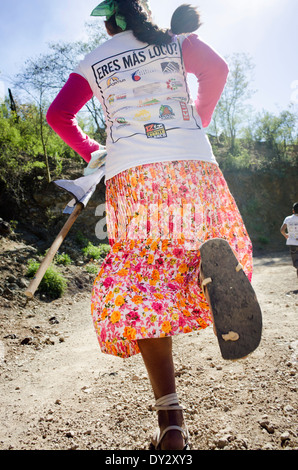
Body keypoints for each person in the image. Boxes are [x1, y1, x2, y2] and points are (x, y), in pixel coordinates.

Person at [46, 0, 262, 450]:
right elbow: (217, 70)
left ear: (108, 21)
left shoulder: (93, 60)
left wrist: (92, 151)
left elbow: (57, 116)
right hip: (192, 164)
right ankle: (207, 272)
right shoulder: (177, 43)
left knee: (142, 279)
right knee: (200, 242)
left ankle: (171, 422)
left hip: (133, 175)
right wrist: (197, 118)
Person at [280, 202, 298, 278]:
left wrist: (286, 235)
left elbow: (282, 230)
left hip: (292, 243)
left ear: (293, 210)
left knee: (296, 263)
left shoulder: (288, 219)